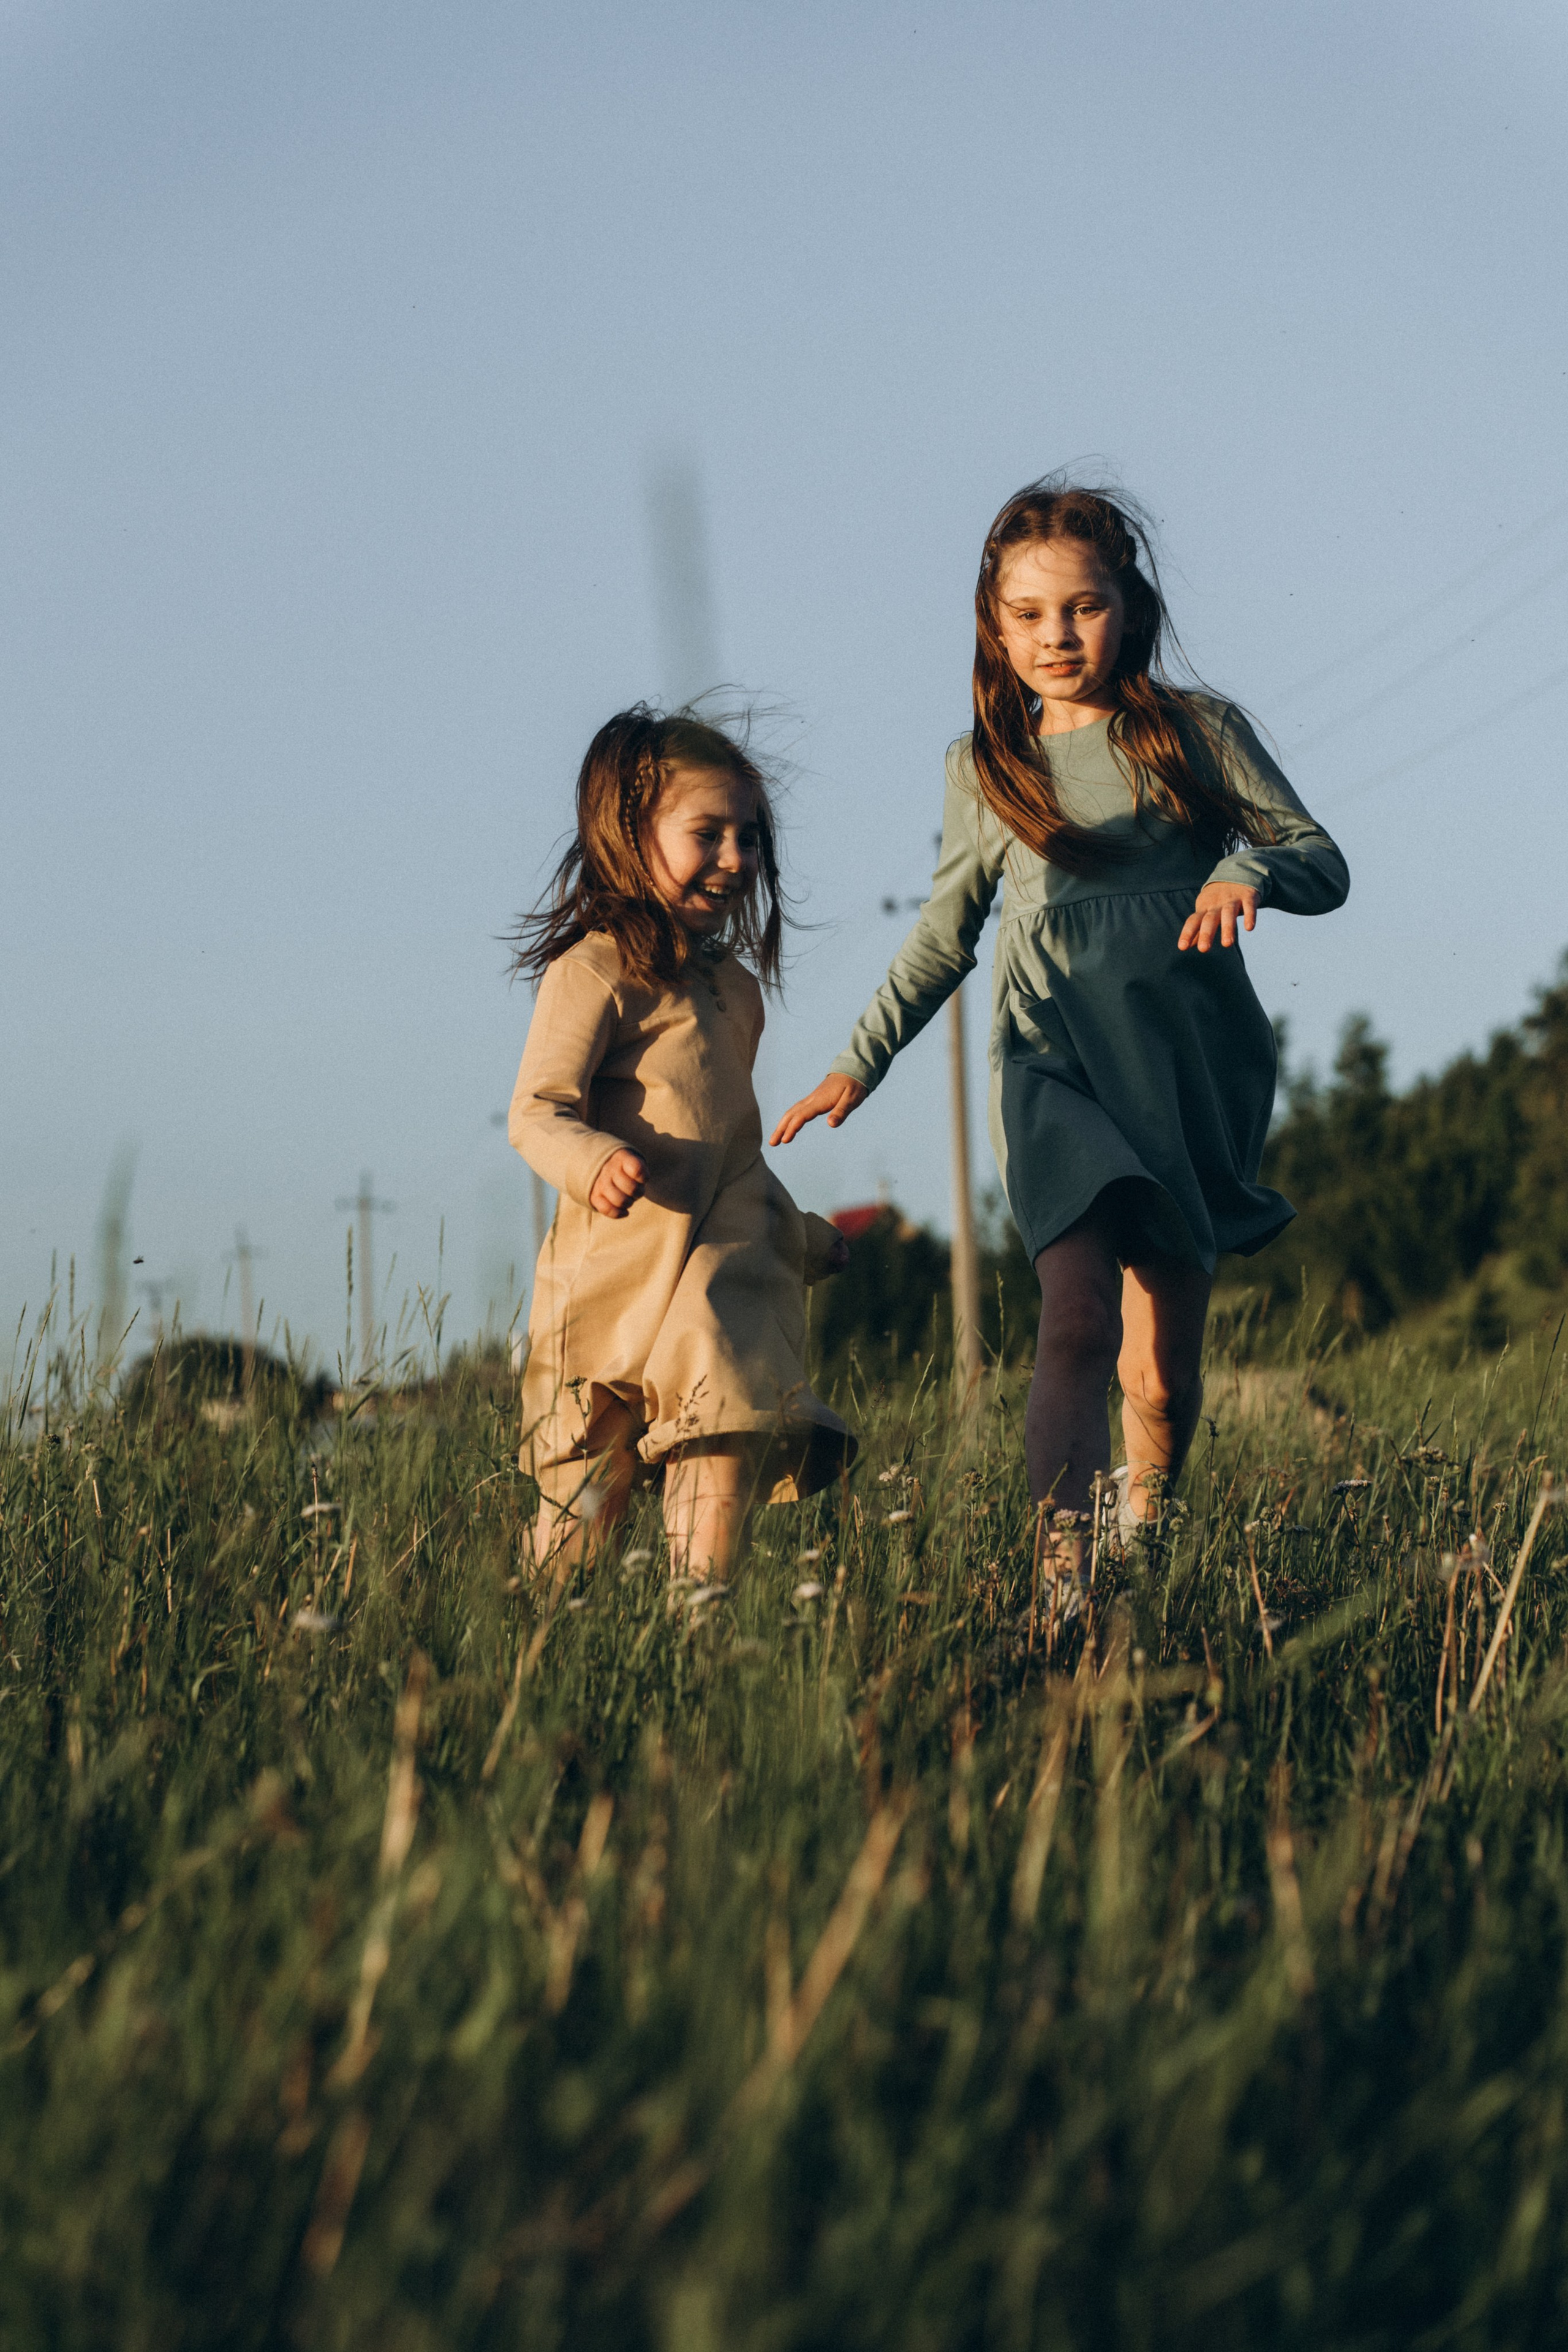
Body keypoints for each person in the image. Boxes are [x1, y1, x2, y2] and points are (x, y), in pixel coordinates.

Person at [773, 480, 1348, 1593]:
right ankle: (1062, 1585)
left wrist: (1246, 869)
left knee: (1162, 1379)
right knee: (1077, 1320)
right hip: (1050, 1063)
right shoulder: (984, 767)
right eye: (1029, 615)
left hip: (1182, 1069)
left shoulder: (1194, 732)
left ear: (1126, 605)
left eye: (1081, 609)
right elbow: (943, 935)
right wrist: (861, 1059)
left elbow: (1319, 858)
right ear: (995, 623)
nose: (1056, 636)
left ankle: (1147, 1540)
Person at [510, 706, 854, 1583]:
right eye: (709, 834)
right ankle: (552, 1645)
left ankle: (700, 1627)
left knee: (723, 1430)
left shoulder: (737, 993)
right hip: (611, 1286)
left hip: (713, 1286)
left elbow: (736, 1152)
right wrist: (592, 1160)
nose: (737, 859)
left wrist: (800, 1235)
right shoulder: (593, 971)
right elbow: (535, 1112)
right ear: (629, 836)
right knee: (588, 1494)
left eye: (749, 838)